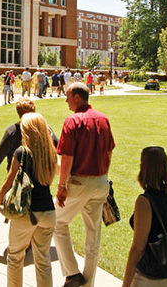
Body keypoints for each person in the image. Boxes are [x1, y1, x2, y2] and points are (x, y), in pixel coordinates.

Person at [54, 82, 116, 287]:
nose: (66, 100)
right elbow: (109, 151)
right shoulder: (103, 119)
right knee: (93, 235)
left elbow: (67, 157)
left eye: (68, 96)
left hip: (79, 182)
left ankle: (72, 274)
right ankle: (87, 284)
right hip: (100, 182)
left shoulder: (72, 121)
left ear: (77, 97)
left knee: (57, 222)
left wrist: (62, 186)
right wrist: (103, 175)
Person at [0, 113, 58, 287]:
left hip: (26, 213)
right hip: (48, 211)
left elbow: (8, 182)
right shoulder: (50, 152)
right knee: (43, 260)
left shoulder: (22, 152)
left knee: (15, 257)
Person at [122, 147, 167, 287]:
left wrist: (125, 284)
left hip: (153, 276)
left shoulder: (144, 201)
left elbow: (138, 249)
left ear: (143, 167)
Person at [0, 97, 58, 178]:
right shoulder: (44, 129)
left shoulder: (12, 131)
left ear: (18, 112)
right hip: (39, 173)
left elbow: (2, 150)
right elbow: (58, 146)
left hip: (17, 175)